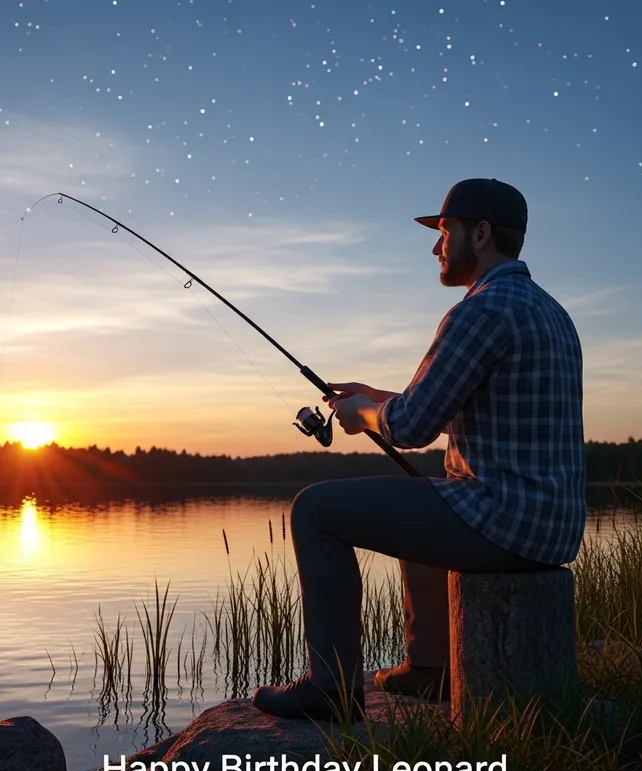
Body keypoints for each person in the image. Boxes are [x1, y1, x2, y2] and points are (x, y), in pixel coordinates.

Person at [251, 178, 586, 720]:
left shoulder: (479, 311)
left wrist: (361, 416)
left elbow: (411, 427)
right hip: (550, 526)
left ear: (479, 234)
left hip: (504, 524)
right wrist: (370, 396)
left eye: (444, 232)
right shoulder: (549, 311)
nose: (435, 247)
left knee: (315, 509)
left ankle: (329, 688)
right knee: (420, 493)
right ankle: (430, 668)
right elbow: (464, 406)